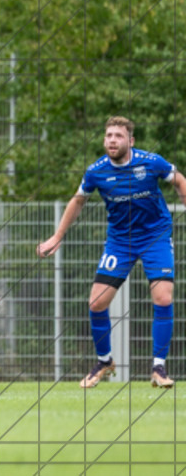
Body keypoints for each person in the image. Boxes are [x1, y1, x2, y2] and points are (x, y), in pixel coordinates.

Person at [37, 116, 186, 389]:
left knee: (163, 298)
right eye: (108, 136)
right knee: (96, 302)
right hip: (120, 242)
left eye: (118, 136)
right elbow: (77, 201)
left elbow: (179, 181)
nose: (112, 140)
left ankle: (158, 368)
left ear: (131, 141)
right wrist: (57, 236)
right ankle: (104, 362)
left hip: (155, 237)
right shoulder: (97, 171)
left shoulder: (151, 162)